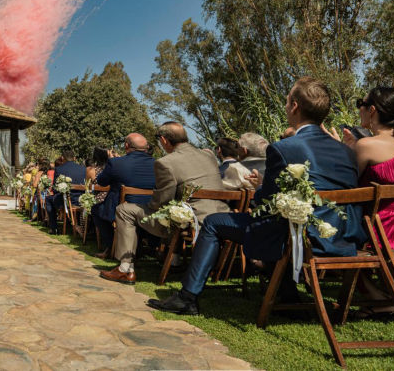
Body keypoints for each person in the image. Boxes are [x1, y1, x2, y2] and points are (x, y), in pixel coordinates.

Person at [149, 77, 364, 316]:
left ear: (294, 106)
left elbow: (265, 203)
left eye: (286, 101)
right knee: (274, 221)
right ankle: (287, 293)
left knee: (213, 223)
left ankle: (188, 296)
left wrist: (259, 191)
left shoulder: (284, 148)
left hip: (299, 237)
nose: (285, 107)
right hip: (343, 237)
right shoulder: (346, 151)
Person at [100, 122, 230, 285]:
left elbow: (161, 202)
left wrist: (147, 205)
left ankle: (125, 269)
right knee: (173, 208)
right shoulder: (208, 155)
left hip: (191, 221)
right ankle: (173, 260)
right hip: (222, 214)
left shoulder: (166, 162)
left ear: (164, 140)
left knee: (125, 210)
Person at [344, 88, 394, 249]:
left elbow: (346, 185)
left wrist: (341, 150)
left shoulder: (367, 145)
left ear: (372, 110)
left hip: (382, 232)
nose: (359, 108)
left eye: (361, 103)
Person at [92, 134, 156, 257]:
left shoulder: (116, 163)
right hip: (150, 209)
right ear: (146, 147)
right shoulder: (157, 164)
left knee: (96, 209)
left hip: (121, 208)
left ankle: (111, 246)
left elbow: (102, 181)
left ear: (126, 145)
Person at [46, 148, 85, 234]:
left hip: (66, 201)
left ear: (62, 158)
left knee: (48, 199)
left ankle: (54, 228)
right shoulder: (83, 169)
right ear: (74, 158)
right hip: (81, 200)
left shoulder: (59, 169)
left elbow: (55, 188)